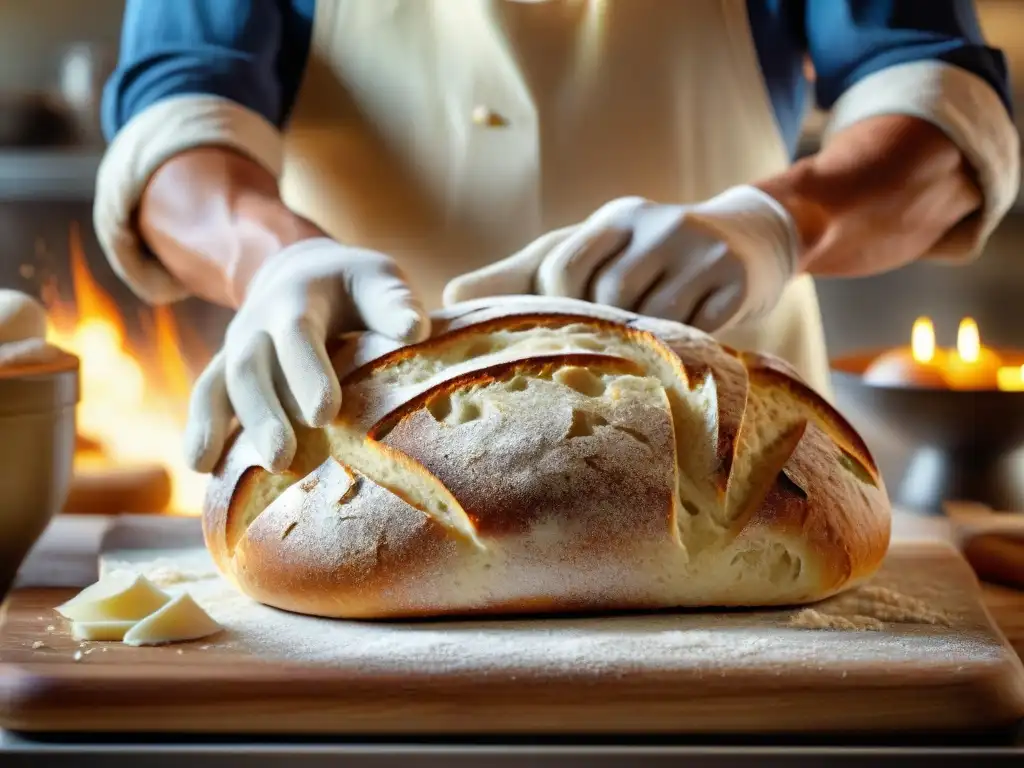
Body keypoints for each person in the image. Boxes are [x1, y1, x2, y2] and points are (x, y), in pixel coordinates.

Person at [95, 0, 1018, 475]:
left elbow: (942, 107)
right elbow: (178, 123)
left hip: (736, 461)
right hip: (357, 454)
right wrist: (275, 258)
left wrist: (779, 224)